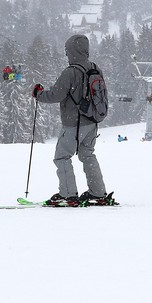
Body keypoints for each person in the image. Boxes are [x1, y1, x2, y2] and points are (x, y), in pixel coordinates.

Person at [32, 34, 113, 206]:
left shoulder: (71, 72)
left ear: (72, 51)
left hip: (74, 124)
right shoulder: (95, 68)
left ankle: (68, 195)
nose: (66, 55)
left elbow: (56, 95)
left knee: (62, 157)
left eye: (67, 51)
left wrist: (38, 94)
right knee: (87, 155)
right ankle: (98, 192)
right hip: (92, 121)